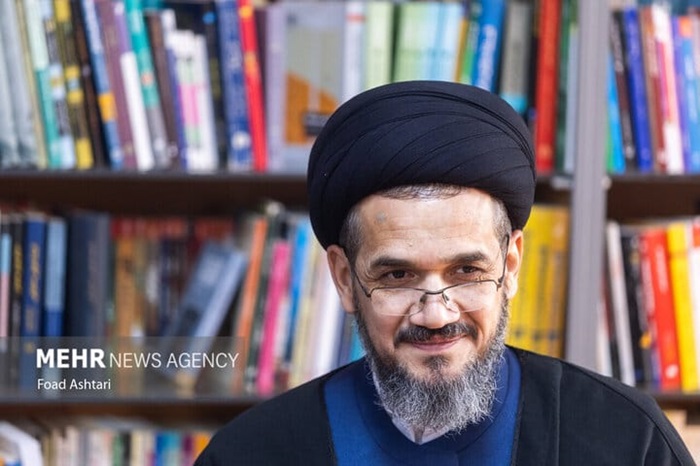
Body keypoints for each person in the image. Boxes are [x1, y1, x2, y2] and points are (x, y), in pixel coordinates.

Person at [195, 81, 693, 465]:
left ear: (510, 265)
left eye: (467, 270)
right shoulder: (249, 455)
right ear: (345, 279)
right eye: (397, 276)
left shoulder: (627, 440)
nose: (435, 315)